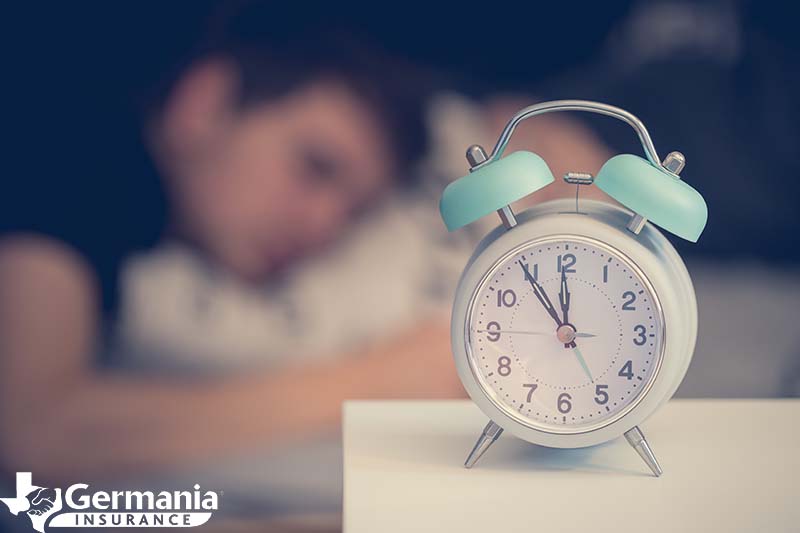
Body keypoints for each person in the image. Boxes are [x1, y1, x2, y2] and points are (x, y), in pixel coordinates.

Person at [0, 6, 464, 486]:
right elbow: (27, 429)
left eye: (351, 214)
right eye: (315, 167)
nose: (323, 225)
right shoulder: (70, 160)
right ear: (205, 103)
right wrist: (370, 381)